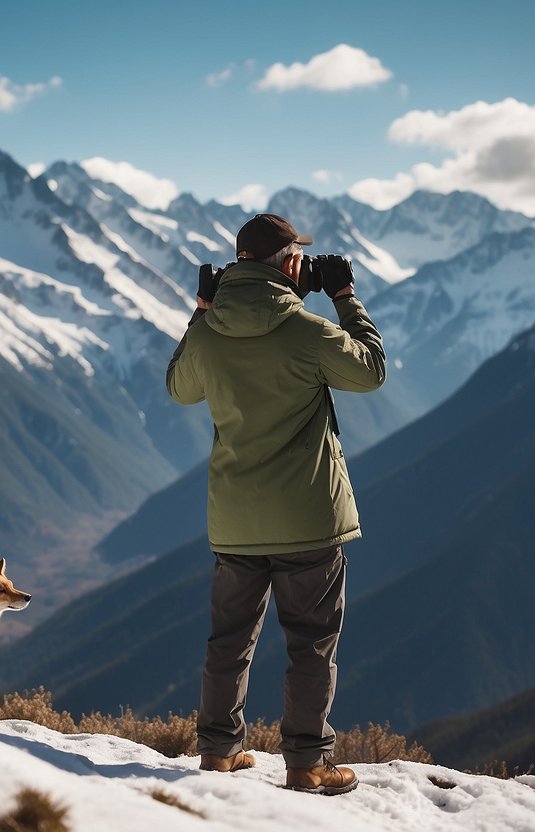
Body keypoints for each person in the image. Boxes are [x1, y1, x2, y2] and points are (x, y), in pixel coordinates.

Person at [166, 213, 386, 795]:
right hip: (308, 519)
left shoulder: (210, 330)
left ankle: (217, 752)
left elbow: (179, 387)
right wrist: (344, 297)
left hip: (235, 519)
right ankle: (308, 764)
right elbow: (370, 372)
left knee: (229, 640)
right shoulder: (307, 331)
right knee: (310, 644)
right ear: (291, 263)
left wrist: (202, 312)